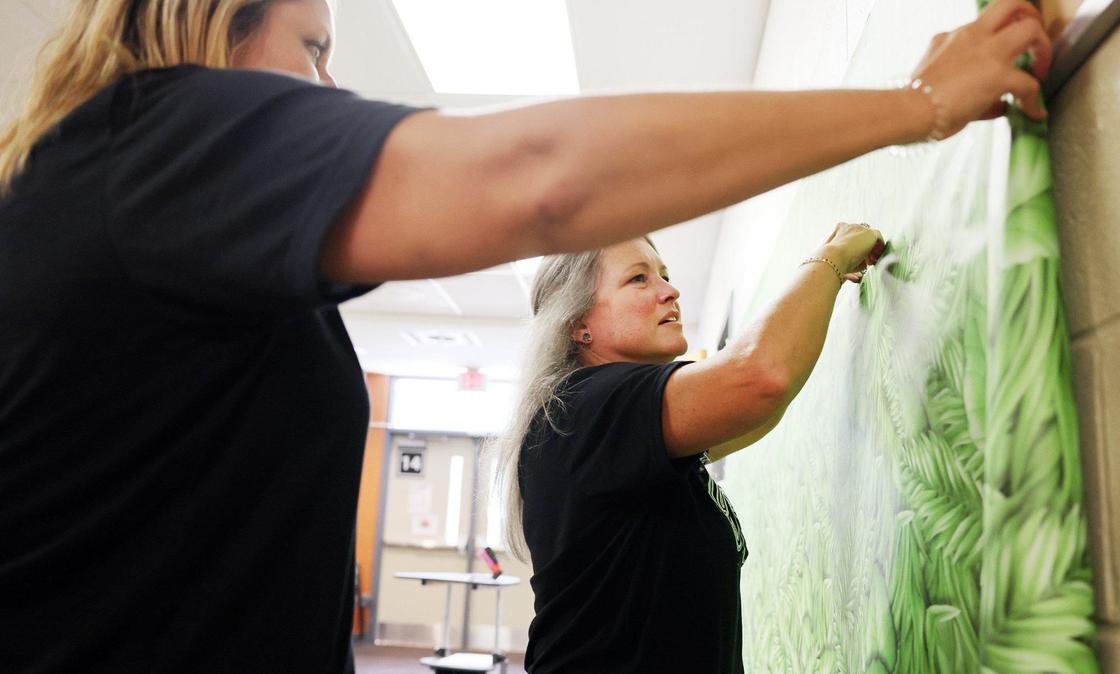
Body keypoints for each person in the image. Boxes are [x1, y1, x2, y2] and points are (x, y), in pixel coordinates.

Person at [0, 0, 1050, 671]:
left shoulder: (134, 217)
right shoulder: (156, 140)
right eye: (314, 47)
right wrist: (919, 101)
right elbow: (542, 179)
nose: (329, 88)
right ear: (208, 22)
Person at [492, 223, 882, 673]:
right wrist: (830, 258)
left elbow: (755, 412)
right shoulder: (587, 406)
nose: (670, 290)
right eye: (639, 278)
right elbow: (760, 379)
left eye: (663, 273)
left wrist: (820, 293)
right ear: (578, 323)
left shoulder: (616, 426)